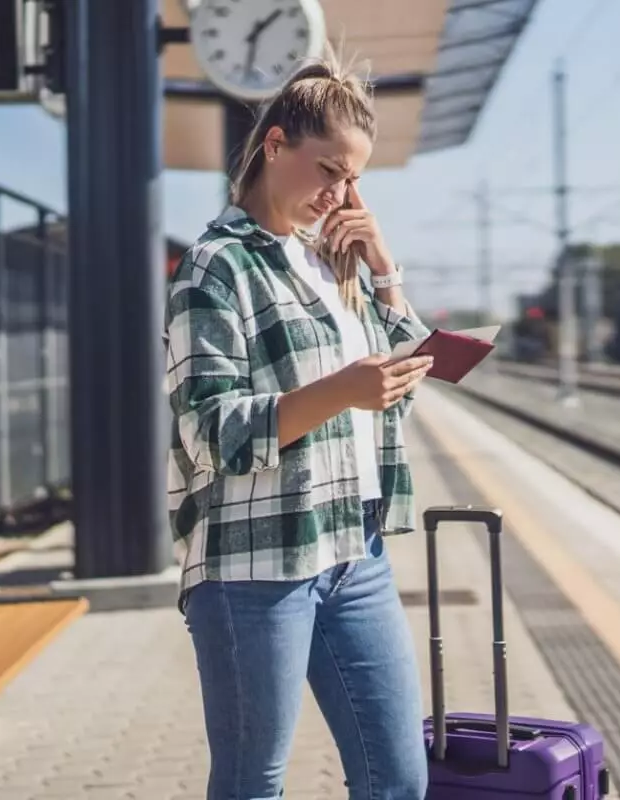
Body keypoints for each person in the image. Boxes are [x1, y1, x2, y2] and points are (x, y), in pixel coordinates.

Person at [163, 51, 434, 800]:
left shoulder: (328, 264)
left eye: (353, 179)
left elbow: (401, 389)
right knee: (254, 784)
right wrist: (342, 388)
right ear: (274, 145)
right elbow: (211, 432)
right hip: (256, 566)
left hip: (355, 551)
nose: (340, 193)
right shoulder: (215, 267)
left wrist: (383, 268)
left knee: (399, 780)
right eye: (329, 170)